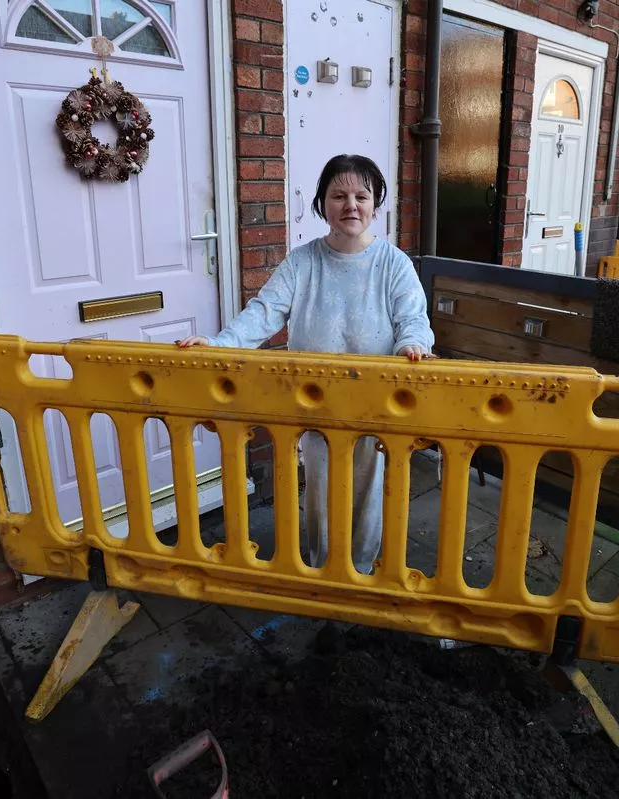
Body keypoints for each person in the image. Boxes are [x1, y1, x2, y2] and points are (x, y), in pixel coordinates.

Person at [177, 153, 434, 575]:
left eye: (361, 196)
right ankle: (323, 573)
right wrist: (219, 345)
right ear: (322, 204)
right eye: (339, 195)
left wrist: (412, 345)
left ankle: (362, 572)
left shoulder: (394, 264)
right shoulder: (302, 261)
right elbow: (264, 312)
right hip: (316, 405)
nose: (351, 205)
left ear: (375, 204)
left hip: (375, 404)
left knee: (368, 494)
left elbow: (413, 318)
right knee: (319, 493)